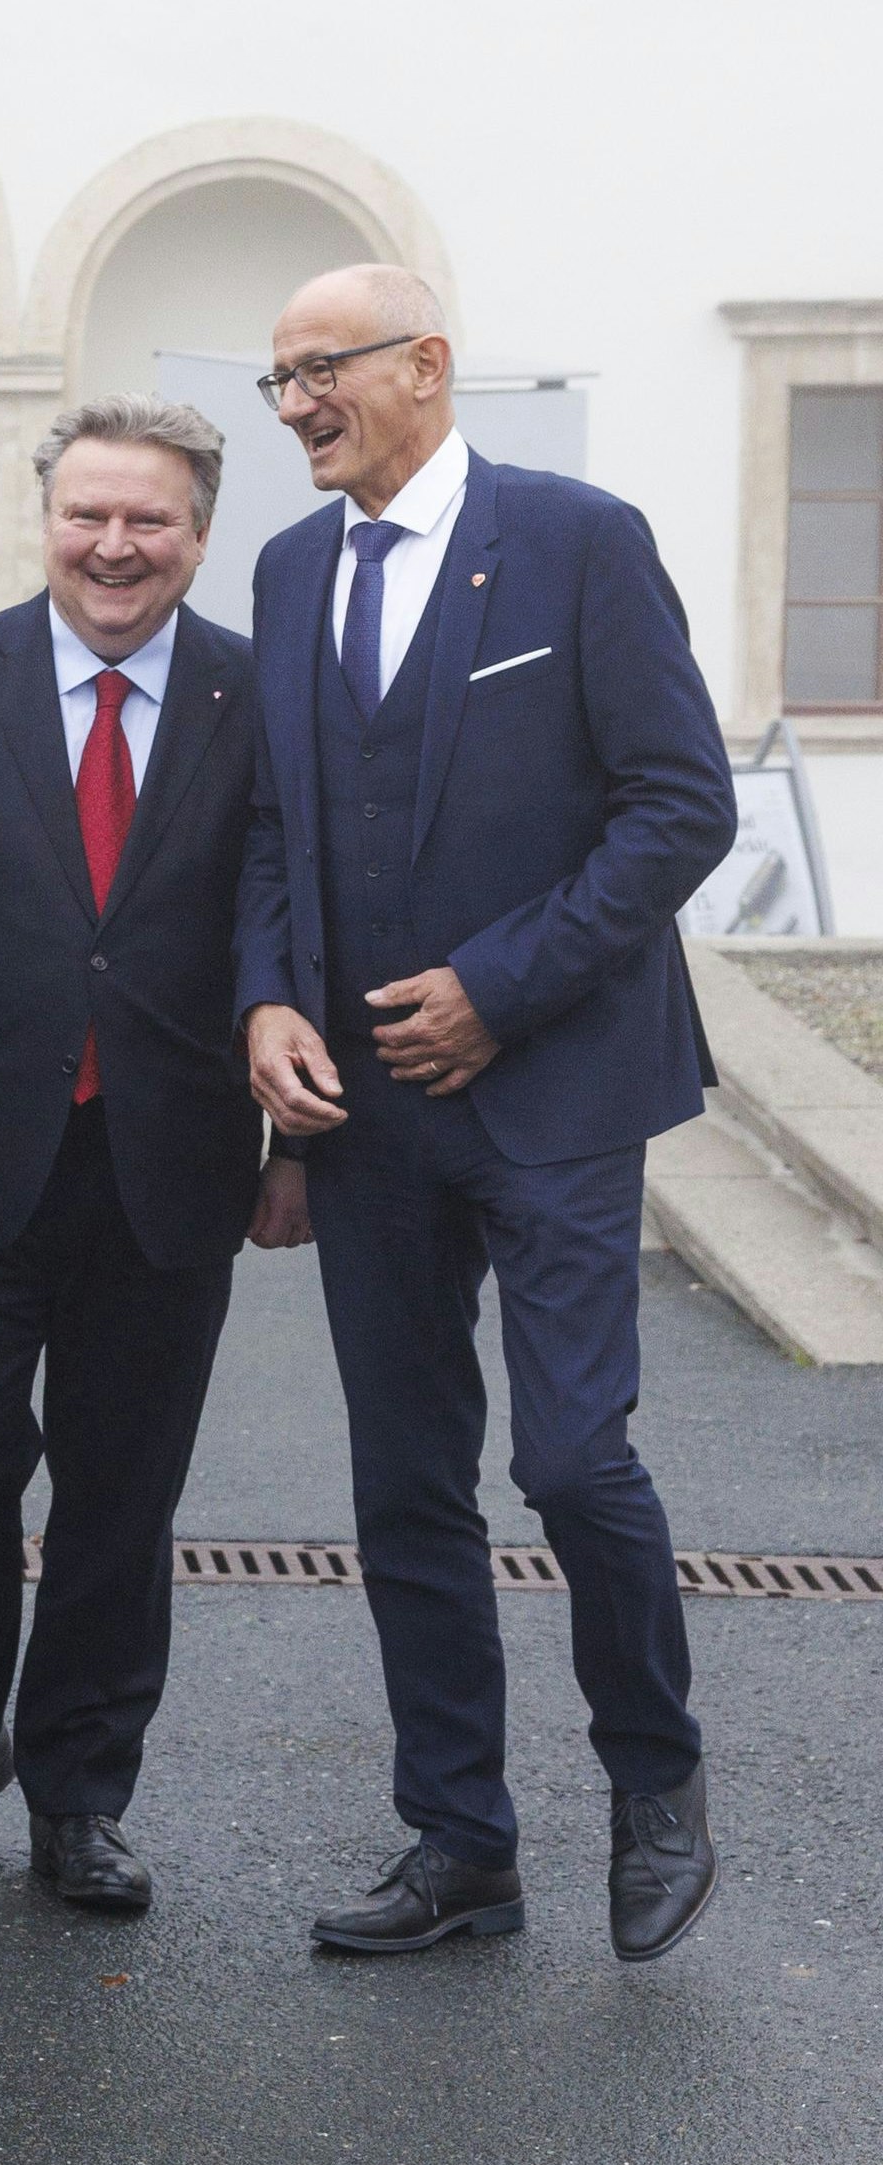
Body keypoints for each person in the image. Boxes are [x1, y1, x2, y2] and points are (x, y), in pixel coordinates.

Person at [235, 265, 732, 1962]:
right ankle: (462, 1840)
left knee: (573, 1455)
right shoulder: (292, 569)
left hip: (560, 1090)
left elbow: (681, 807)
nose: (297, 404)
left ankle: (656, 1774)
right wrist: (269, 1002)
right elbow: (271, 835)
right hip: (364, 1115)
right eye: (278, 379)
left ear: (428, 366)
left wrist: (498, 989)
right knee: (405, 1481)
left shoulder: (582, 540)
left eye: (324, 370)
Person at [0, 395, 294, 1915]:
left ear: (198, 537)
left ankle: (83, 1793)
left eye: (148, 520)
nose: (114, 546)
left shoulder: (256, 697)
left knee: (122, 1489)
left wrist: (294, 1139)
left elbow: (289, 930)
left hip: (170, 1158)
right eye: (87, 515)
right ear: (46, 523)